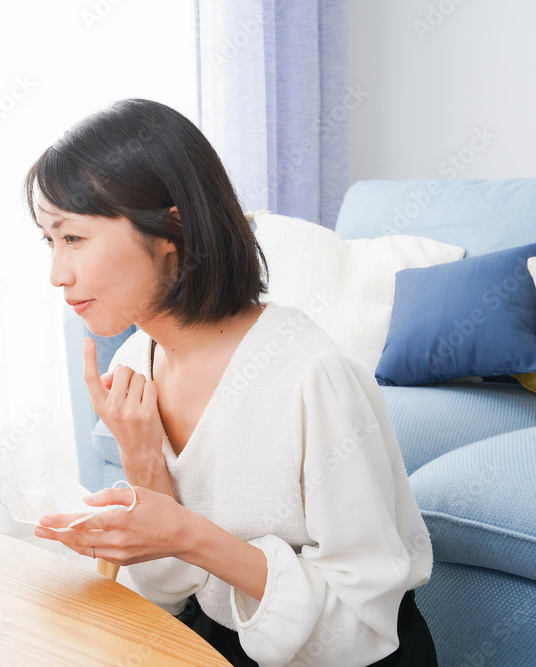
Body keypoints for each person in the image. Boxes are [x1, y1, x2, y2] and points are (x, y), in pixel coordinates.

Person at [24, 98, 437, 666]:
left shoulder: (313, 376)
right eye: (48, 241)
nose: (56, 273)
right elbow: (170, 594)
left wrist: (189, 534)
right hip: (221, 641)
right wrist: (142, 462)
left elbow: (361, 625)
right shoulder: (140, 363)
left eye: (72, 238)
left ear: (170, 228)